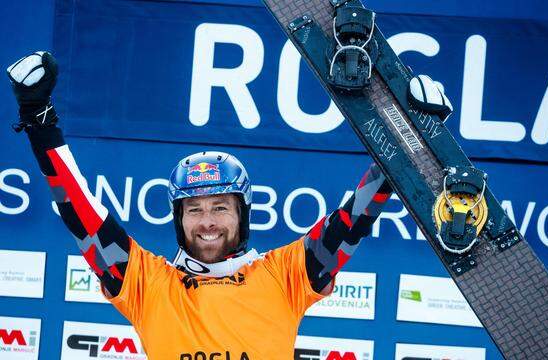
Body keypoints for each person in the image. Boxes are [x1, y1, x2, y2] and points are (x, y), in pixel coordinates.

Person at [6, 51, 452, 359]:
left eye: (220, 207)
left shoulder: (286, 275)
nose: (207, 223)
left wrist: (410, 140)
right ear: (178, 218)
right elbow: (81, 213)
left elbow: (352, 221)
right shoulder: (145, 283)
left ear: (243, 213)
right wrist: (39, 119)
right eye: (193, 208)